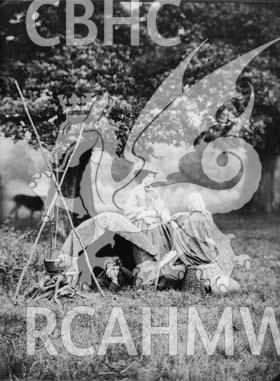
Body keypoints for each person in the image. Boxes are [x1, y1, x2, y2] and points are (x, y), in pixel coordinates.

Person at [173, 192, 240, 293]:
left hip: (199, 254)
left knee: (176, 254)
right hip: (210, 252)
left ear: (191, 204)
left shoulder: (192, 220)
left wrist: (176, 225)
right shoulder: (206, 215)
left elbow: (183, 234)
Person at [124, 168, 172, 287]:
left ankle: (159, 281)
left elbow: (161, 207)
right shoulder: (135, 192)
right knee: (144, 254)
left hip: (155, 227)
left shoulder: (155, 192)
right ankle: (145, 282)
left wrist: (162, 213)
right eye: (147, 177)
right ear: (141, 177)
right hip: (142, 228)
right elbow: (128, 211)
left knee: (158, 252)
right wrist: (144, 211)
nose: (149, 179)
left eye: (152, 177)